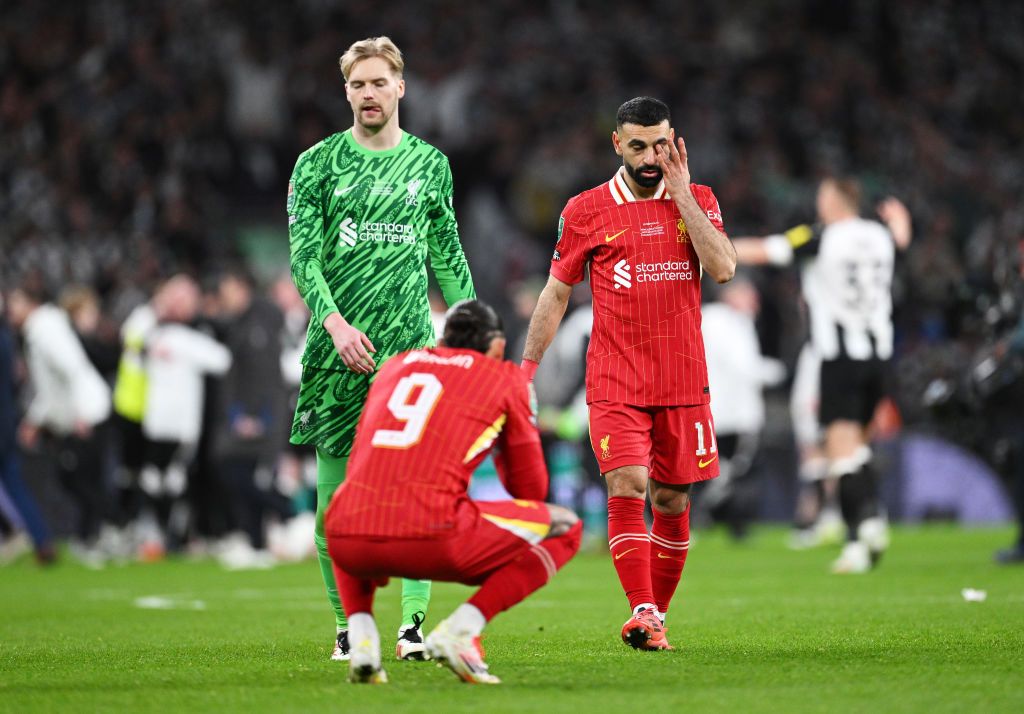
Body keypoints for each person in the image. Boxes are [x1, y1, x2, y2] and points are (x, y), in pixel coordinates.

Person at [520, 96, 736, 650]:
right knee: (628, 483)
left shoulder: (700, 199)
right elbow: (556, 292)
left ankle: (653, 619)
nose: (648, 156)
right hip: (616, 377)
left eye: (659, 144)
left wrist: (682, 192)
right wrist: (526, 370)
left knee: (671, 502)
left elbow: (724, 268)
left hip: (683, 380)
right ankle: (641, 607)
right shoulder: (587, 209)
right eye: (637, 145)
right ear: (617, 144)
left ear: (673, 141)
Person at [287, 36, 476, 661]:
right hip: (335, 354)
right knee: (333, 507)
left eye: (379, 82)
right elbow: (304, 257)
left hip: (409, 359)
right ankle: (348, 626)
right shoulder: (316, 164)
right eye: (358, 84)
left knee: (416, 496)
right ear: (346, 92)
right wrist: (336, 325)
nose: (369, 93)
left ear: (401, 86)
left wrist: (472, 334)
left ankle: (413, 627)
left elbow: (446, 253)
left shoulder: (430, 165)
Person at [327, 300, 581, 684]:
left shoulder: (398, 364)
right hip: (433, 534)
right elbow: (531, 491)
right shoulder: (503, 377)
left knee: (355, 505)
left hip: (346, 536)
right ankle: (461, 631)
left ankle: (362, 641)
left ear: (443, 338)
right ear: (496, 346)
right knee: (566, 526)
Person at [732, 180, 911, 573]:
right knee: (859, 448)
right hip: (880, 356)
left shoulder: (822, 236)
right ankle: (873, 521)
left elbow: (766, 249)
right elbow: (900, 238)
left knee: (841, 455)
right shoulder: (879, 235)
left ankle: (859, 535)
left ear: (832, 201)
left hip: (839, 357)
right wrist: (901, 220)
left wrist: (709, 243)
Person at [7, 280, 112, 564]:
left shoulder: (45, 329)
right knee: (74, 478)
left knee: (81, 479)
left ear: (31, 302)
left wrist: (80, 413)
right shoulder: (39, 330)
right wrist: (33, 421)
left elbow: (72, 368)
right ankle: (93, 536)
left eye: (15, 302)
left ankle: (96, 536)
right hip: (80, 413)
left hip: (88, 412)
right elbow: (49, 386)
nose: (9, 309)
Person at [698, 276, 785, 538]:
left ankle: (715, 518)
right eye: (747, 294)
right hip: (732, 412)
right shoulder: (728, 322)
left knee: (714, 468)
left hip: (710, 410)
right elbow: (744, 365)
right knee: (736, 469)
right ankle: (723, 519)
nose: (754, 301)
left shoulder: (707, 318)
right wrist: (779, 372)